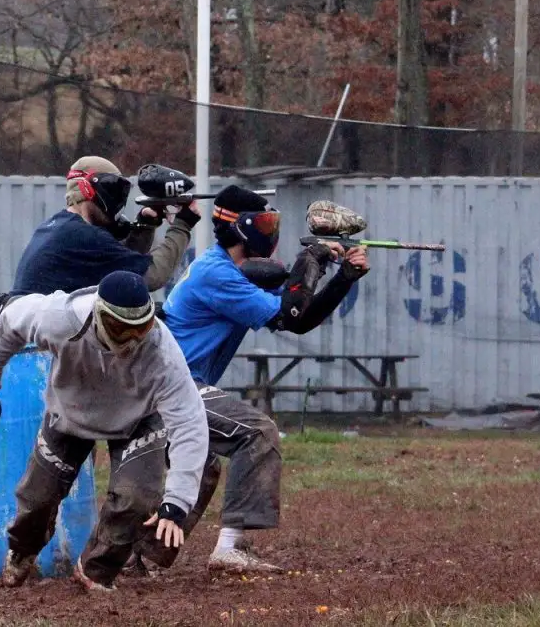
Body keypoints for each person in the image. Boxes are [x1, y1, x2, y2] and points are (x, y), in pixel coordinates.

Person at [125, 186, 370, 575]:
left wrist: (342, 277)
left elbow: (298, 312)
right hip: (170, 386)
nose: (273, 231)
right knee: (256, 432)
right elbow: (292, 315)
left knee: (202, 464)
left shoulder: (226, 268)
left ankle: (143, 560)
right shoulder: (218, 275)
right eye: (268, 223)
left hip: (168, 382)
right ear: (244, 229)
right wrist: (313, 260)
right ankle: (227, 549)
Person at [0, 270, 210, 592]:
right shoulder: (59, 318)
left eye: (140, 329)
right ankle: (23, 550)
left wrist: (177, 501)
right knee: (37, 500)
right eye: (121, 329)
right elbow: (10, 321)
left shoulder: (161, 349)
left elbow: (189, 421)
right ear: (99, 316)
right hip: (70, 412)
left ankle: (96, 569)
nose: (131, 341)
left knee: (136, 499)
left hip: (138, 419)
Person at [10, 155, 200, 297]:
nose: (118, 201)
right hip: (38, 344)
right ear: (87, 189)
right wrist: (182, 225)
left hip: (28, 338)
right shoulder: (82, 235)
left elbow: (118, 266)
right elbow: (153, 275)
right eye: (113, 191)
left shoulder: (57, 227)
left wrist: (145, 226)